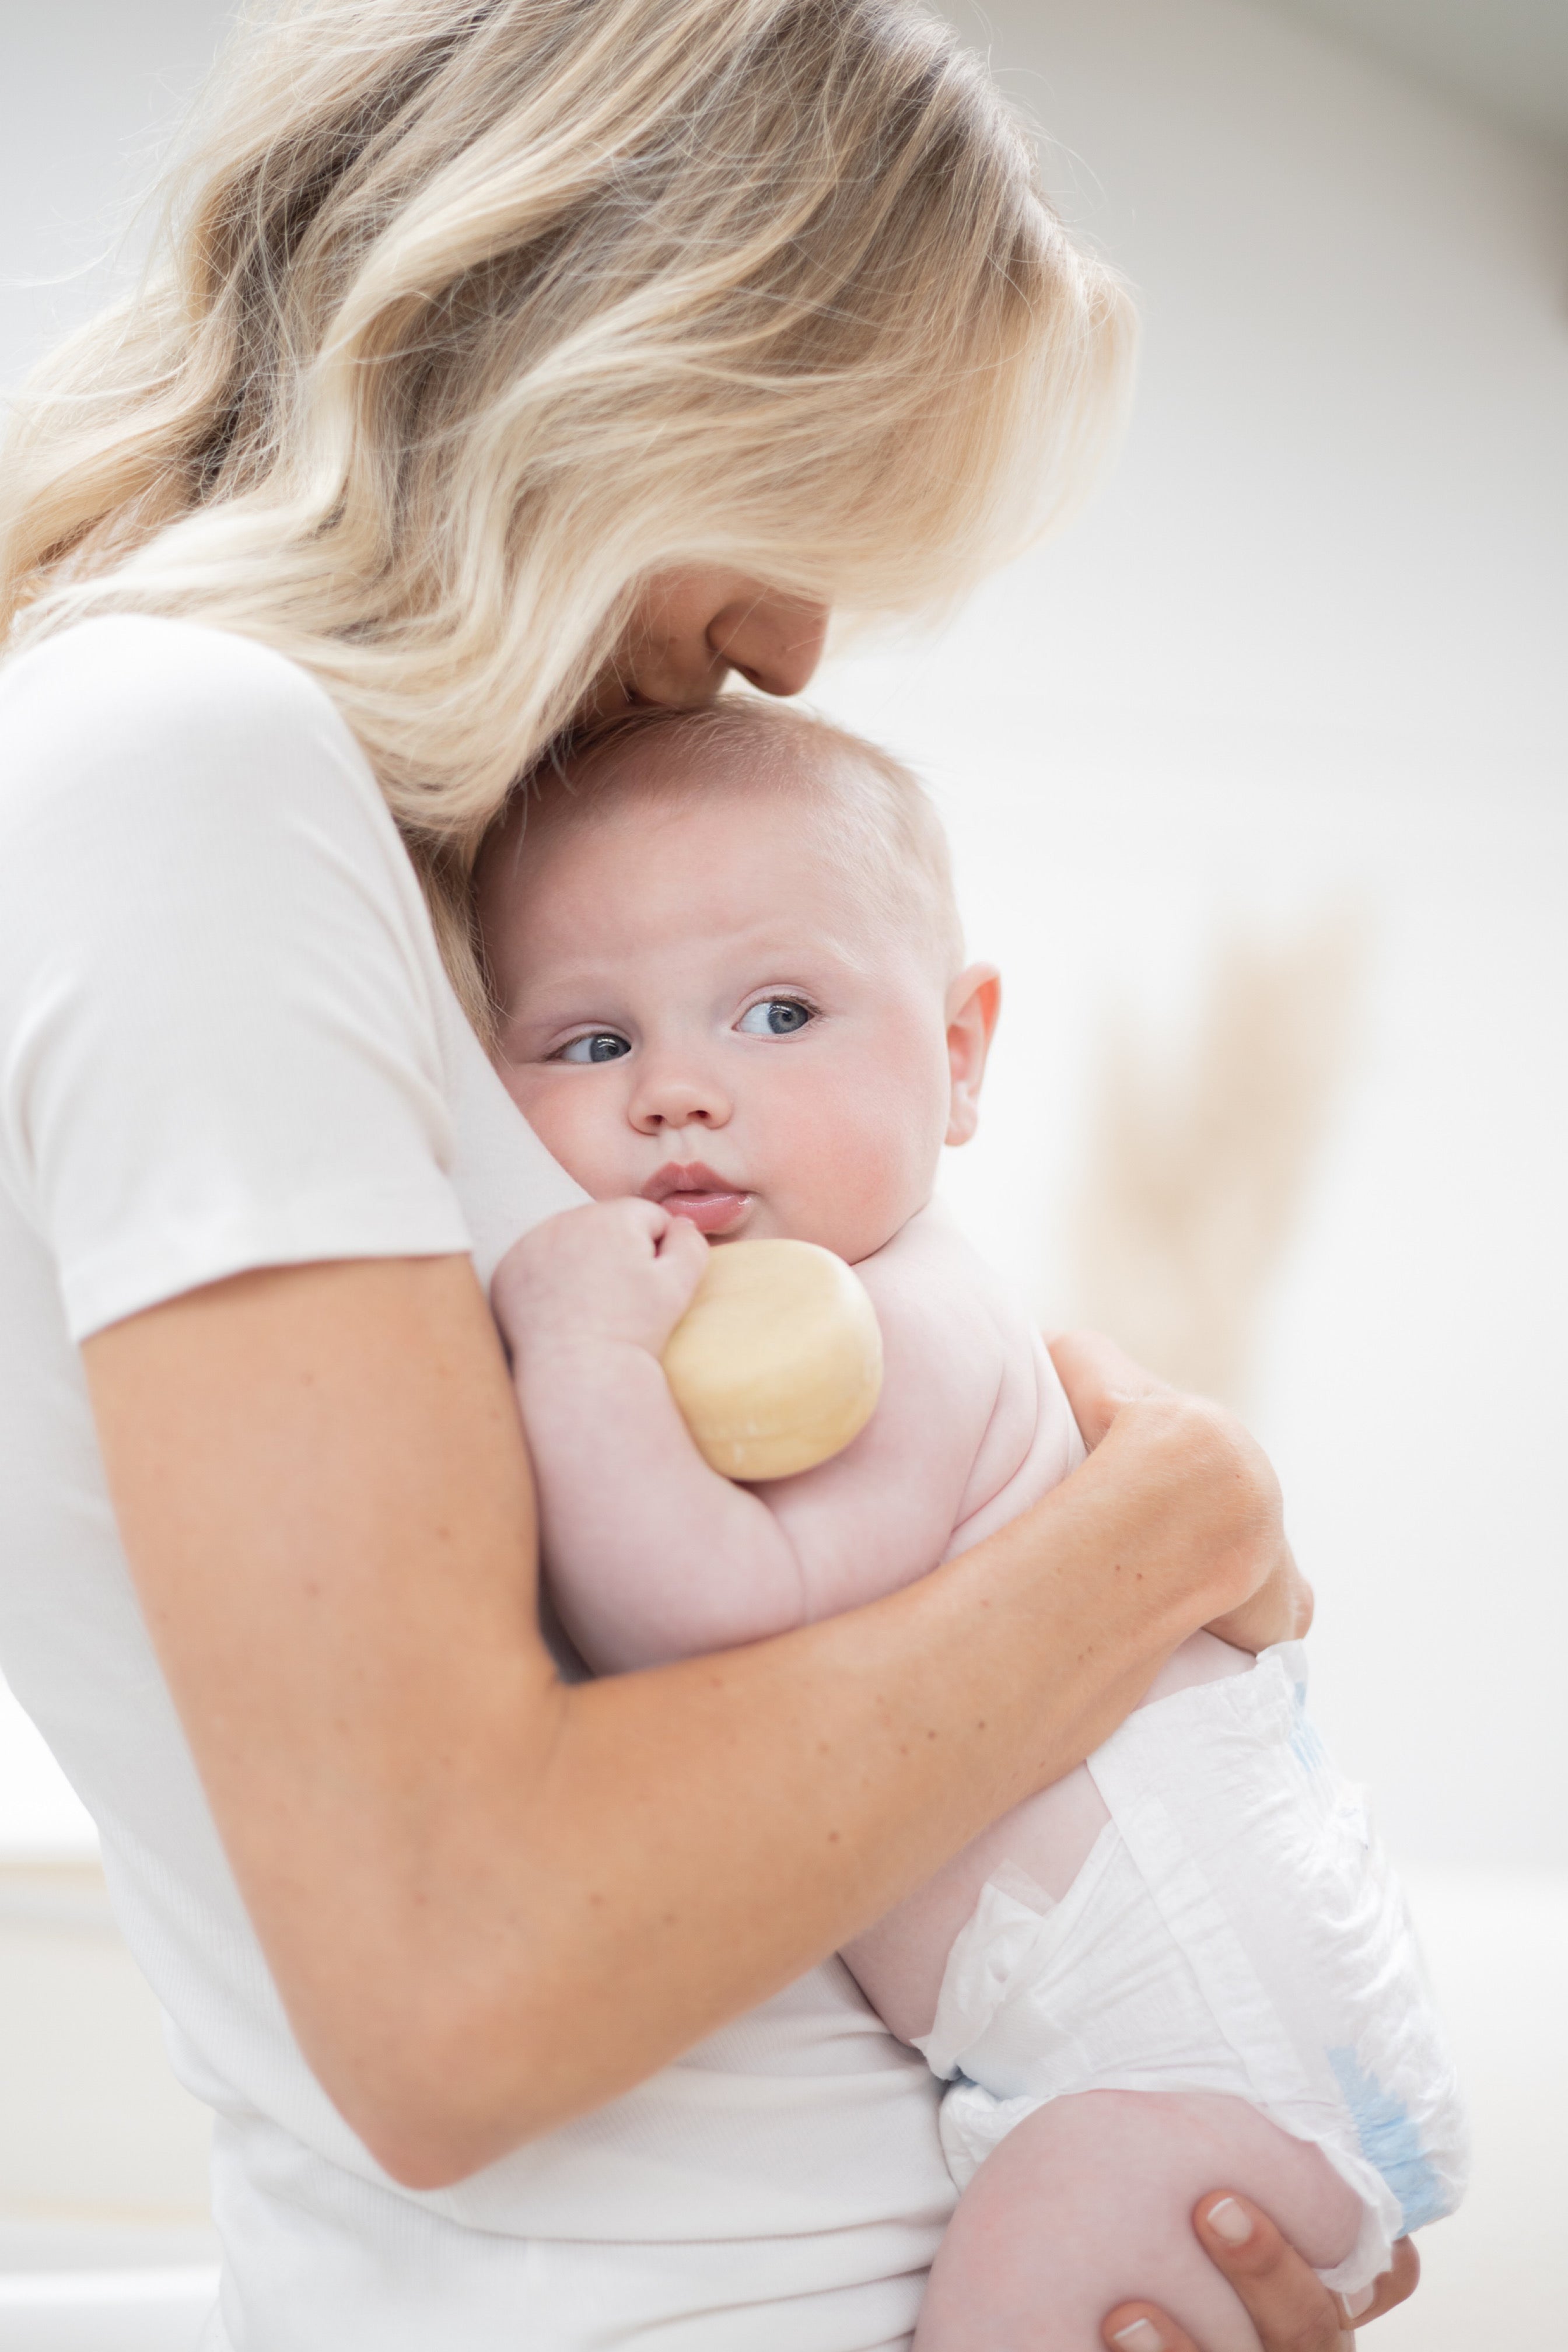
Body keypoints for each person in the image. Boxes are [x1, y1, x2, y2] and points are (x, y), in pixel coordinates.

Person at [0, 2, 1420, 2346]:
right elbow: (453, 1988)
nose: (791, 644)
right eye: (796, 504)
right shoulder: (183, 760)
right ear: (603, 361)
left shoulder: (280, 821)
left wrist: (1159, 2154)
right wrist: (1171, 1526)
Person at [477, 698, 1465, 2348]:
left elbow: (709, 1622)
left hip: (1191, 2067)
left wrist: (574, 1345)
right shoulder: (797, 1315)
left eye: (779, 1012)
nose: (677, 1095)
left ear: (956, 1057)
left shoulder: (904, 1332)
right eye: (592, 1044)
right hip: (1143, 2057)